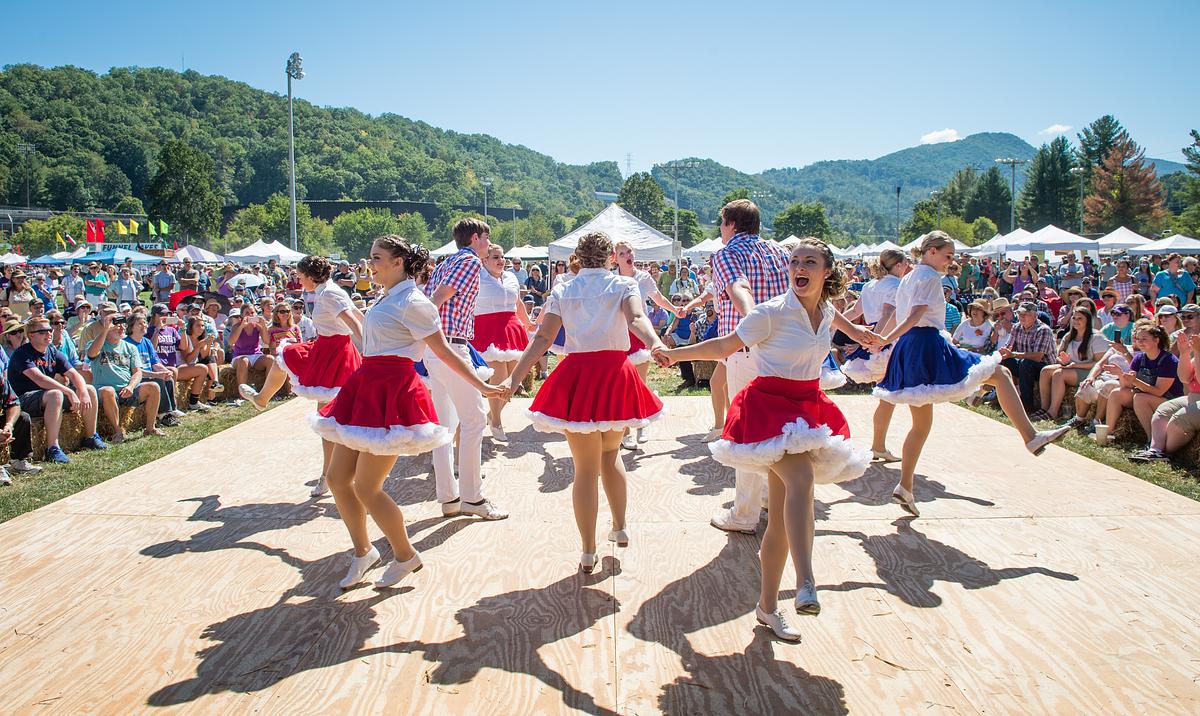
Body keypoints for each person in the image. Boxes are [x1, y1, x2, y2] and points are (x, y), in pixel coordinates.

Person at [654, 238, 873, 640]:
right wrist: (676, 355)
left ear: (827, 272)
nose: (799, 267)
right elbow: (725, 345)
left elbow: (841, 322)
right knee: (802, 482)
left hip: (807, 407)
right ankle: (807, 581)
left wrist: (862, 332)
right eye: (794, 261)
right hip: (769, 408)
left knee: (780, 523)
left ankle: (767, 607)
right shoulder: (770, 313)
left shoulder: (825, 310)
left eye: (810, 262)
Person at [310, 235, 505, 589]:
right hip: (365, 387)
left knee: (368, 487)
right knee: (339, 479)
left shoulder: (415, 302)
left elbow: (443, 351)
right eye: (371, 257)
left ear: (399, 262)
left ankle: (404, 555)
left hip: (392, 391)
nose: (371, 263)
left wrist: (482, 386)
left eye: (377, 257)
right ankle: (363, 552)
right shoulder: (389, 297)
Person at [874, 232, 1070, 517]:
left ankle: (905, 485)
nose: (951, 262)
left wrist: (885, 339)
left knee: (921, 424)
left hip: (912, 346)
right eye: (948, 256)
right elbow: (915, 314)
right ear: (930, 252)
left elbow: (901, 313)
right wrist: (885, 338)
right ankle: (1030, 436)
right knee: (1000, 373)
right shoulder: (929, 278)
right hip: (926, 343)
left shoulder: (910, 276)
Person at [502, 231, 664, 574]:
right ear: (610, 258)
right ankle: (620, 527)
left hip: (578, 374)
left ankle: (588, 551)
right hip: (615, 373)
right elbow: (636, 320)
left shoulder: (564, 288)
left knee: (585, 470)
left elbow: (544, 337)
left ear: (578, 257)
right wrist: (656, 344)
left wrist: (514, 378)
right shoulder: (623, 285)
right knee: (611, 454)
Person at [700, 200, 791, 534]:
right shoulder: (780, 251)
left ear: (731, 224)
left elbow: (740, 288)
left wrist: (754, 324)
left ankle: (745, 513)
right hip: (782, 349)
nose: (720, 230)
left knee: (746, 430)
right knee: (773, 426)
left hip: (747, 347)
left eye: (721, 223)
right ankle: (768, 494)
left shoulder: (726, 254)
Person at [240, 256, 364, 497]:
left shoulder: (329, 293)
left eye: (300, 275)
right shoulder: (327, 290)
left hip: (336, 354)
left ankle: (330, 475)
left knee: (328, 420)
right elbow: (357, 315)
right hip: (326, 349)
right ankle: (262, 400)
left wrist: (370, 349)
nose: (297, 279)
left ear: (309, 276)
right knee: (283, 357)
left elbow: (354, 321)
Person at [423, 218, 507, 521]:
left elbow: (435, 295)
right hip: (451, 346)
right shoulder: (470, 261)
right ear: (475, 238)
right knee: (473, 421)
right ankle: (472, 497)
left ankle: (449, 497)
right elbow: (438, 297)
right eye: (486, 238)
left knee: (446, 426)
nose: (488, 244)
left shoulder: (446, 262)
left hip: (438, 348)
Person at [613, 240, 683, 450]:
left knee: (640, 384)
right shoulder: (612, 279)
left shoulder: (644, 278)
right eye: (623, 252)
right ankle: (626, 432)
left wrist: (674, 310)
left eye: (630, 251)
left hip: (639, 334)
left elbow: (658, 298)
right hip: (618, 335)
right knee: (621, 386)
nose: (628, 255)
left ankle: (641, 423)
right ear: (615, 258)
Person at [841, 249, 909, 462]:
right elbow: (889, 313)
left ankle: (879, 445)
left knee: (888, 396)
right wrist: (878, 341)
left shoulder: (870, 285)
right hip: (890, 342)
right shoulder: (896, 285)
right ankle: (878, 446)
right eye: (906, 262)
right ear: (898, 265)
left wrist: (829, 325)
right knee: (890, 396)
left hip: (881, 341)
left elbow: (853, 313)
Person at [8, 317, 107, 462]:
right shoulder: (22, 354)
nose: (49, 333)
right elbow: (39, 379)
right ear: (30, 335)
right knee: (56, 394)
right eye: (42, 331)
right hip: (23, 399)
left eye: (49, 330)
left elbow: (74, 374)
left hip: (46, 397)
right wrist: (69, 391)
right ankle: (52, 448)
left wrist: (83, 392)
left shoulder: (52, 351)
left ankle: (90, 437)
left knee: (90, 389)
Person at [471, 243, 534, 441]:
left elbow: (518, 303)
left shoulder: (511, 277)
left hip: (512, 329)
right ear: (484, 260)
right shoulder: (477, 277)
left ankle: (491, 415)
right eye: (496, 257)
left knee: (515, 378)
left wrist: (529, 323)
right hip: (487, 329)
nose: (501, 261)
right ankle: (496, 422)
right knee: (499, 377)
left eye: (502, 256)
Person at [86, 312, 163, 443]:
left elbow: (137, 372)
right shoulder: (97, 344)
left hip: (126, 389)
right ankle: (118, 431)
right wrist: (105, 329)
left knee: (153, 387)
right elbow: (92, 353)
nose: (121, 328)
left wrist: (131, 386)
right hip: (104, 390)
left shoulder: (130, 347)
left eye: (123, 325)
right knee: (108, 391)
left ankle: (150, 427)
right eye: (116, 325)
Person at [1102, 321, 1183, 440]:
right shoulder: (1139, 358)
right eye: (1138, 339)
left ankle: (1154, 441)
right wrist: (1120, 374)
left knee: (1140, 398)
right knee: (1117, 393)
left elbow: (1159, 392)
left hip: (1169, 400)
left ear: (1156, 340)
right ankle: (1107, 432)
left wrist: (1134, 381)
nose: (1140, 342)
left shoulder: (1169, 361)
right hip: (1146, 395)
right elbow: (1128, 385)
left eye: (1144, 339)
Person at [1131, 332, 1200, 462]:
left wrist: (1197, 352)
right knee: (1163, 410)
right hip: (1193, 398)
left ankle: (1164, 452)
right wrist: (1185, 353)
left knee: (1180, 419)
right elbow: (1184, 378)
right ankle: (1155, 449)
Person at [1033, 306, 1109, 421]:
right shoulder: (1069, 336)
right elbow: (1059, 357)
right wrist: (1062, 361)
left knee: (1059, 374)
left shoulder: (1097, 337)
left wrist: (1074, 365)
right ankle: (1044, 408)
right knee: (1046, 371)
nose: (1076, 321)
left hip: (1090, 371)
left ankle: (1052, 412)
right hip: (1071, 367)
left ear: (1087, 321)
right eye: (1074, 318)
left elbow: (1100, 363)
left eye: (1080, 318)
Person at [124, 312, 184, 426]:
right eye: (140, 324)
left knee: (167, 378)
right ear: (131, 327)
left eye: (145, 323)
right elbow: (133, 371)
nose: (144, 325)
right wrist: (157, 375)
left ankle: (172, 409)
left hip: (149, 374)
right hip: (136, 378)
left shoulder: (146, 341)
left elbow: (155, 362)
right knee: (158, 380)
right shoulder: (126, 344)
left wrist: (165, 371)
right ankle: (163, 415)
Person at [998, 301, 1057, 411]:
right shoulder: (1016, 327)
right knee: (1005, 362)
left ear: (1035, 316)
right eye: (1020, 314)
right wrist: (1003, 353)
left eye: (1026, 314)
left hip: (1044, 368)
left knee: (1026, 364)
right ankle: (1005, 398)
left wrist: (1013, 354)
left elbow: (1038, 356)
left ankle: (1027, 404)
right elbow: (1009, 346)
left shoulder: (1043, 330)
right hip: (1024, 363)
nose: (1022, 317)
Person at [0, 365, 41, 484]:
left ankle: (18, 461)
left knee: (22, 418)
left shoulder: (1, 381)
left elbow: (14, 404)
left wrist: (8, 425)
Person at [228, 303, 275, 390]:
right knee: (244, 361)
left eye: (252, 313)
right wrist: (242, 326)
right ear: (242, 315)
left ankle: (267, 390)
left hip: (255, 355)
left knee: (270, 359)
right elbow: (231, 342)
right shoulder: (236, 326)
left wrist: (264, 326)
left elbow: (267, 341)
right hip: (240, 357)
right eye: (247, 313)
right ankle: (243, 393)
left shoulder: (257, 326)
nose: (250, 315)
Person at [179, 315, 222, 407]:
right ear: (191, 327)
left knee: (211, 361)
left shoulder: (201, 339)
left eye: (202, 326)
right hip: (183, 367)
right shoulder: (186, 338)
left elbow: (204, 355)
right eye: (198, 325)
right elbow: (188, 360)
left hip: (194, 365)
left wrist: (209, 343)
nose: (201, 328)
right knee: (205, 368)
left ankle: (214, 387)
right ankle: (196, 401)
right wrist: (198, 346)